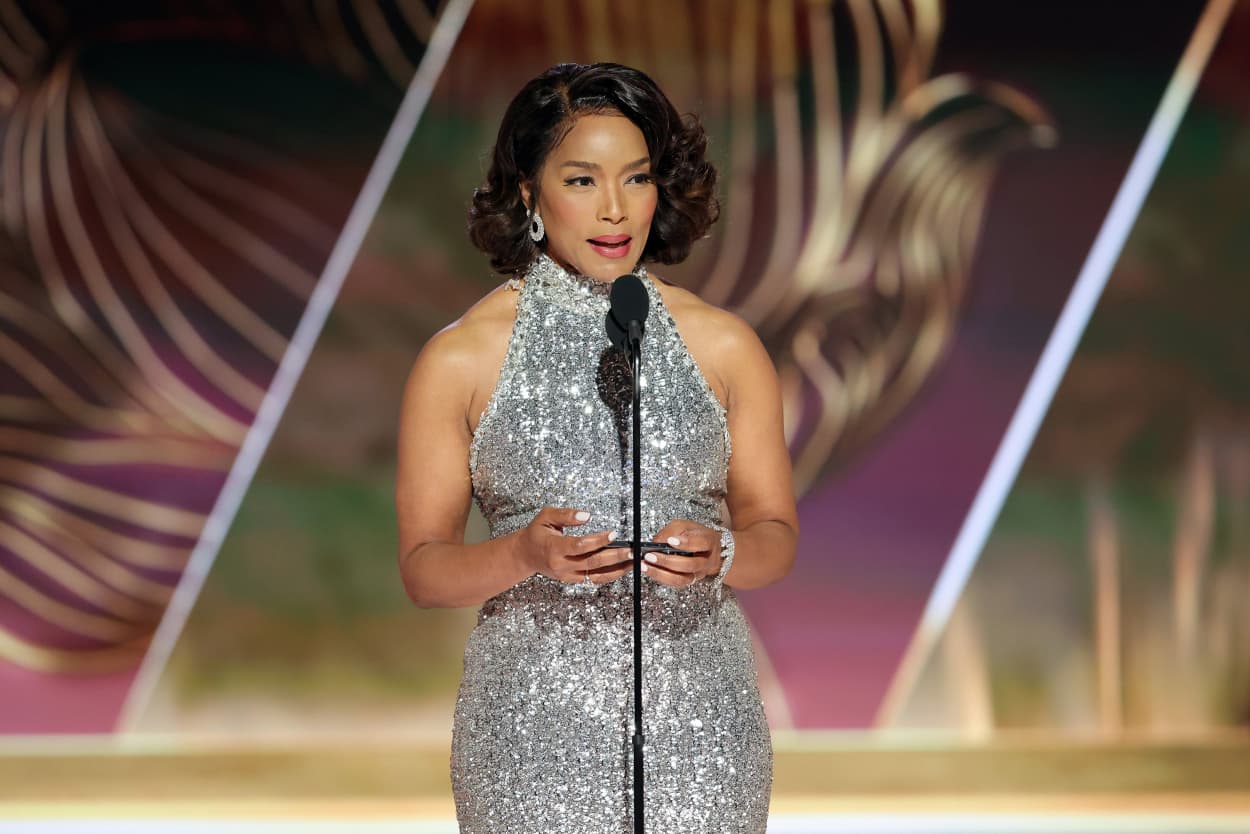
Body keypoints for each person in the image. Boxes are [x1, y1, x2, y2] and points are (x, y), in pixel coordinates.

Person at [394, 62, 798, 833]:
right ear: (527, 193)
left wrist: (724, 554)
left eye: (637, 178)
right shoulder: (461, 360)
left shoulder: (724, 345)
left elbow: (776, 534)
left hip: (701, 728)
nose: (615, 210)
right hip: (530, 735)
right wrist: (522, 555)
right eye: (582, 180)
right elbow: (423, 568)